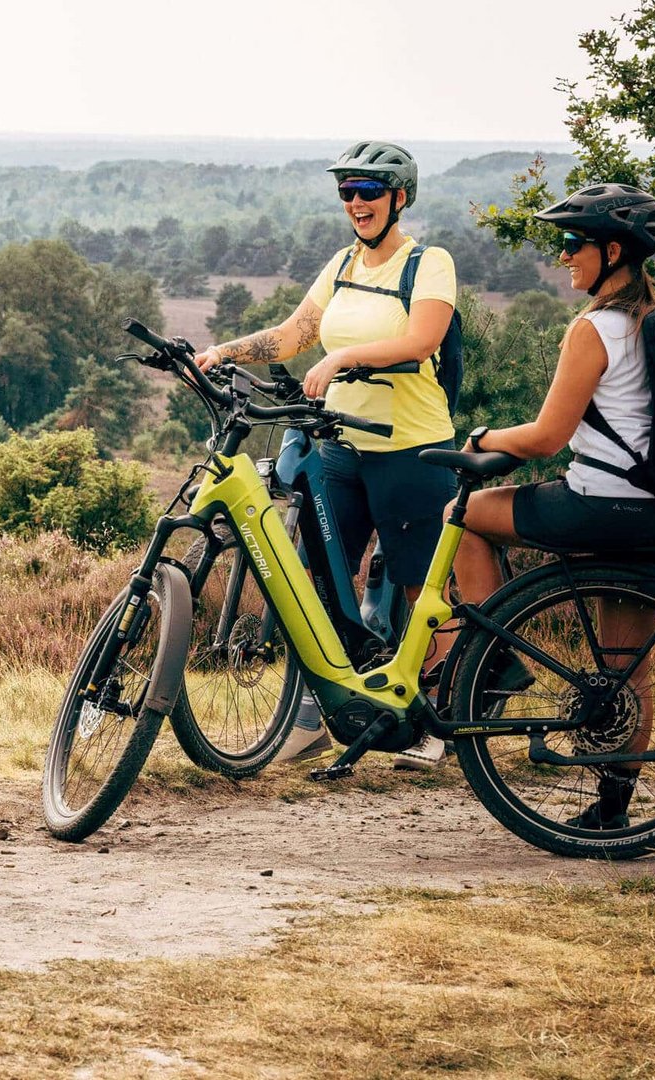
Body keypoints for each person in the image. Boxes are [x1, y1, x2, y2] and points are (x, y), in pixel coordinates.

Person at [194, 140, 458, 769]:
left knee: (423, 588)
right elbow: (293, 335)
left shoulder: (429, 263)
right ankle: (317, 714)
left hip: (409, 447)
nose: (356, 203)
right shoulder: (342, 264)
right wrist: (223, 351)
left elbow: (421, 339)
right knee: (313, 578)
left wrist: (343, 358)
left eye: (368, 191)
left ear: (399, 197)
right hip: (339, 446)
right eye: (347, 192)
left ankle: (438, 722)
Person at [446, 182, 655, 829]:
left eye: (574, 244)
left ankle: (495, 663)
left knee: (463, 516)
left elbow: (548, 437)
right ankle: (611, 814)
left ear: (612, 250)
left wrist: (485, 440)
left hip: (596, 506)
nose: (565, 257)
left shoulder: (595, 329)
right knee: (624, 667)